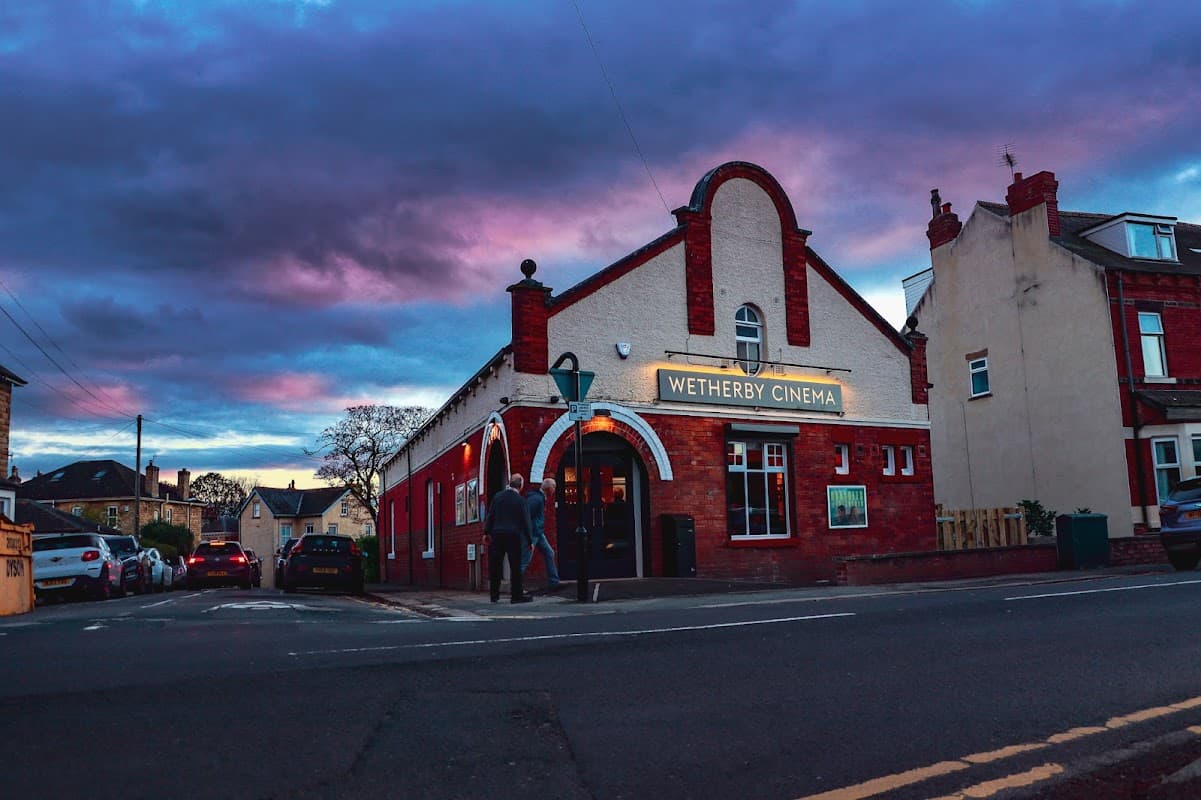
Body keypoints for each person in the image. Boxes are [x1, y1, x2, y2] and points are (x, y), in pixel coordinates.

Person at [484, 473, 534, 603]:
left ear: (510, 483)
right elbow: (526, 521)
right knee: (515, 566)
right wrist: (530, 540)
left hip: (497, 534)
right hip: (513, 535)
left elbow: (491, 515)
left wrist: (486, 532)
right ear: (521, 485)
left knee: (496, 565)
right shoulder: (521, 501)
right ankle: (516, 596)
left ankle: (494, 595)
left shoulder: (498, 497)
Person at [522, 478, 562, 590]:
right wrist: (529, 535)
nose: (554, 489)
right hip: (533, 533)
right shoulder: (537, 499)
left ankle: (554, 581)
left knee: (549, 553)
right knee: (525, 560)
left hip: (538, 533)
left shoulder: (539, 498)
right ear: (549, 488)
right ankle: (516, 586)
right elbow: (527, 516)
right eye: (554, 487)